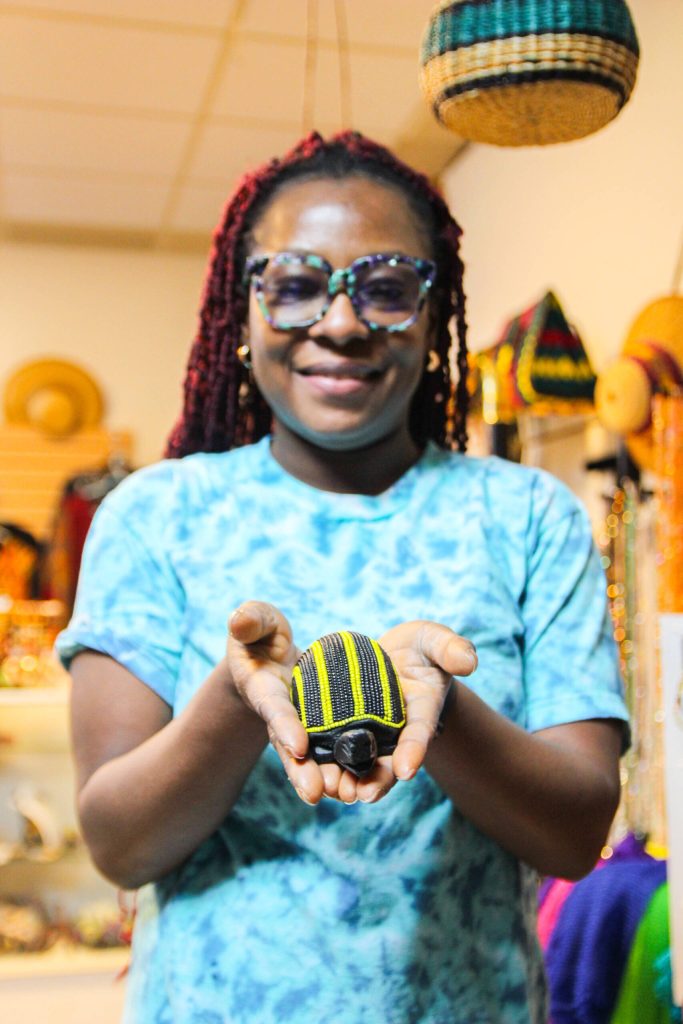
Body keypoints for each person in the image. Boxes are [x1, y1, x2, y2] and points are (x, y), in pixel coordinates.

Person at [57, 130, 628, 1024]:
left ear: (433, 315)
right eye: (292, 285)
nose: (341, 321)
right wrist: (234, 703)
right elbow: (120, 847)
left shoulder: (526, 516)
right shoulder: (157, 517)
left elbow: (575, 833)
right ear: (240, 314)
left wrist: (441, 711)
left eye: (387, 287)